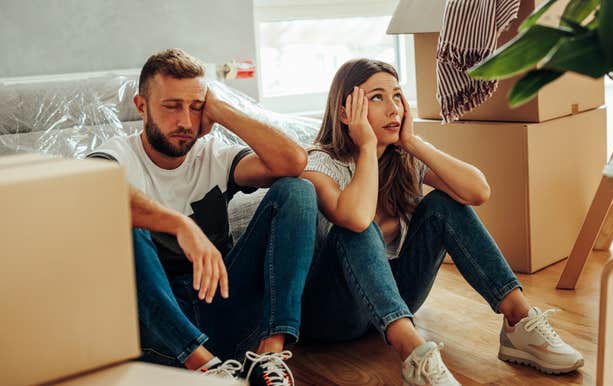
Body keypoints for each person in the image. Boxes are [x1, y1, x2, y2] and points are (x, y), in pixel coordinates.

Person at [299, 58, 584, 385]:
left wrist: (413, 143)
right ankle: (414, 355)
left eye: (397, 96)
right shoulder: (319, 163)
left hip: (397, 302)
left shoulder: (403, 160)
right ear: (345, 111)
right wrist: (365, 146)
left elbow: (478, 191)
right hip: (331, 315)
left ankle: (519, 321)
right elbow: (356, 217)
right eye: (376, 97)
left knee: (443, 203)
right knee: (358, 229)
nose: (393, 108)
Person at [88, 48, 316, 386]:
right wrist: (180, 225)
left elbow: (293, 163)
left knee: (299, 192)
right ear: (141, 106)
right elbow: (90, 190)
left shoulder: (213, 157)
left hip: (222, 309)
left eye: (195, 107)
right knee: (124, 222)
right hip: (158, 330)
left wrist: (221, 110)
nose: (184, 121)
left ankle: (269, 354)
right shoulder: (118, 155)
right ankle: (206, 369)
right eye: (171, 106)